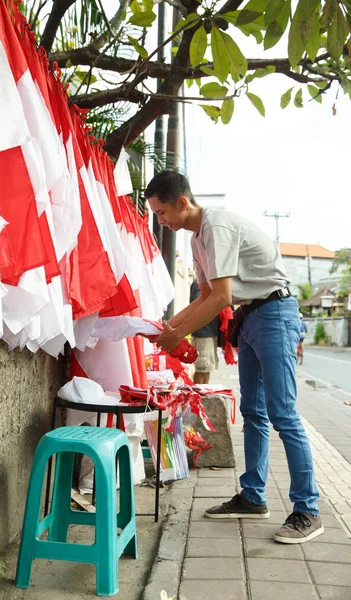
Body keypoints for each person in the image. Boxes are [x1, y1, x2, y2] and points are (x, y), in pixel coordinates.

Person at [145, 170, 323, 544]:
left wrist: (176, 333)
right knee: (253, 413)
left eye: (161, 213)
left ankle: (308, 510)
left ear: (182, 203)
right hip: (252, 317)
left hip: (274, 313)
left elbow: (221, 297)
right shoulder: (196, 239)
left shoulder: (216, 226)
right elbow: (204, 295)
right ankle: (253, 497)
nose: (160, 221)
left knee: (283, 414)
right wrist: (163, 327)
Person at [189, 279, 219, 384]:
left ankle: (202, 397)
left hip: (207, 332)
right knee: (202, 369)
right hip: (203, 333)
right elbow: (198, 302)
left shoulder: (205, 281)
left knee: (206, 369)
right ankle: (199, 398)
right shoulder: (201, 282)